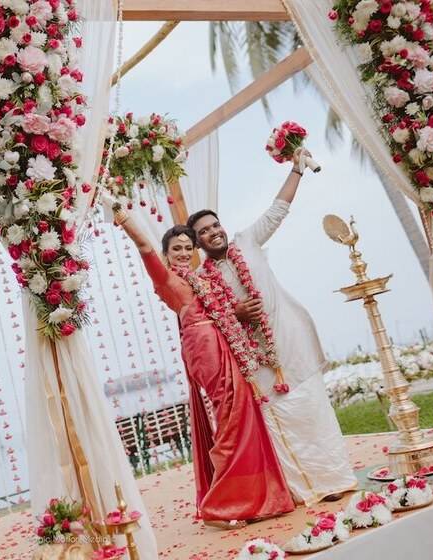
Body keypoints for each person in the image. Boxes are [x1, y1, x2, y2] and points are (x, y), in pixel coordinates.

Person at [187, 148, 358, 506]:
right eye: (204, 232)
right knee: (281, 421)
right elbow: (209, 328)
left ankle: (336, 478)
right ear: (198, 243)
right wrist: (235, 314)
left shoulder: (247, 241)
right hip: (256, 362)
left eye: (215, 225)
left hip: (290, 343)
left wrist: (297, 171)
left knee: (312, 411)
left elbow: (278, 209)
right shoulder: (202, 280)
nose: (214, 233)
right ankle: (305, 490)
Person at [108, 199, 295, 527]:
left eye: (187, 248)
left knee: (243, 414)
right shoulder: (165, 279)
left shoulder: (200, 280)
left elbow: (227, 310)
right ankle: (220, 506)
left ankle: (250, 498)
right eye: (176, 249)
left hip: (220, 343)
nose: (182, 253)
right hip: (203, 348)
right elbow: (142, 244)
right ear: (166, 253)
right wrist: (121, 214)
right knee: (231, 419)